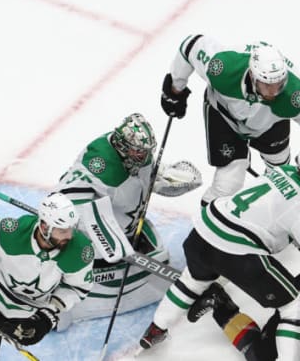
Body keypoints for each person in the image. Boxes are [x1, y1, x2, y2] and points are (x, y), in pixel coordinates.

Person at [139, 142, 300, 361]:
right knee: (297, 303)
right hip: (235, 251)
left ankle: (156, 329)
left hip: (202, 232)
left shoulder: (283, 171)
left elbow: (282, 218)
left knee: (192, 281)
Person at [160, 35, 300, 206]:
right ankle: (207, 231)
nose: (274, 92)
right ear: (253, 77)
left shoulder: (292, 96)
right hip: (224, 116)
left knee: (279, 175)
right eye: (267, 85)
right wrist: (175, 89)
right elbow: (190, 45)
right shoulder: (223, 68)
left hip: (270, 123)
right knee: (229, 182)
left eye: (279, 84)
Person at [50, 112, 202, 330]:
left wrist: (166, 178)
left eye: (145, 152)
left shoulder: (138, 157)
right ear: (122, 145)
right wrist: (108, 240)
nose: (143, 157)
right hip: (96, 238)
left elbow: (146, 177)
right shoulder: (99, 163)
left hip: (127, 227)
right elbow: (65, 195)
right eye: (137, 152)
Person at [0, 192, 94, 360]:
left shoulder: (80, 252)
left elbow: (77, 287)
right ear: (44, 227)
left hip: (28, 312)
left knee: (58, 325)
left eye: (71, 229)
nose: (69, 236)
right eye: (63, 231)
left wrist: (47, 315)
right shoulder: (12, 231)